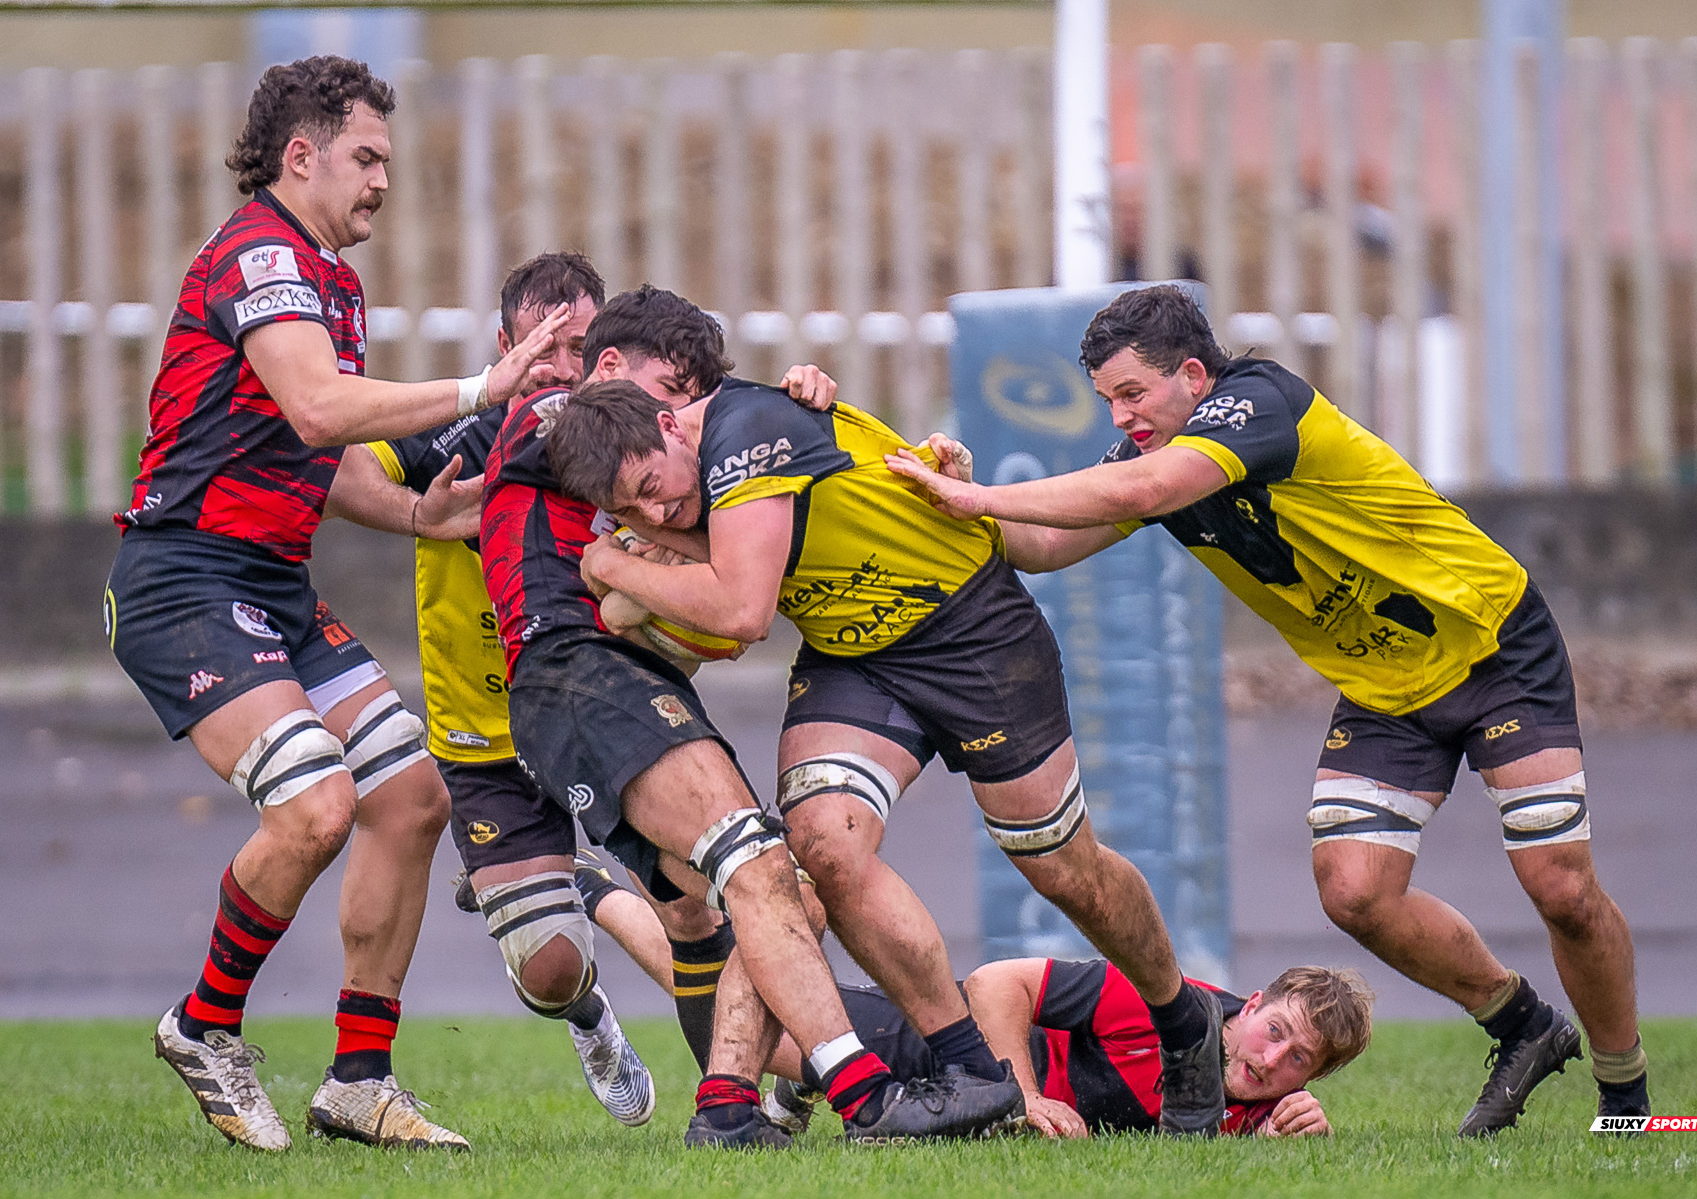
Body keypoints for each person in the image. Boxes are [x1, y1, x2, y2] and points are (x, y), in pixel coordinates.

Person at [882, 284, 1647, 1135]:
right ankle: (1524, 1025)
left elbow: (1142, 490)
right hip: (1385, 684)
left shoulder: (1258, 402)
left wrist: (984, 502)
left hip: (1491, 642)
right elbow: (1047, 545)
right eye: (1109, 401)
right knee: (1354, 892)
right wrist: (960, 494)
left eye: (1133, 394)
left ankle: (1625, 1098)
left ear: (1196, 375)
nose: (1123, 416)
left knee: (1561, 889)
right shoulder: (1154, 455)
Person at [545, 370, 1234, 1137]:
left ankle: (1182, 1017)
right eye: (626, 509)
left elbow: (740, 613)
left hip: (970, 628)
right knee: (820, 846)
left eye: (649, 485)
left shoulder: (749, 432)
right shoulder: (696, 455)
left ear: (672, 425)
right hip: (856, 656)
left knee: (1064, 869)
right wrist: (649, 567)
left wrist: (610, 564)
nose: (651, 508)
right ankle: (971, 1068)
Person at [107, 56, 569, 1153]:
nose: (380, 182)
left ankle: (358, 1076)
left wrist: (417, 516)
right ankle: (204, 1023)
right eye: (366, 157)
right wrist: (481, 389)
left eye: (388, 164)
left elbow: (319, 451)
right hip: (185, 578)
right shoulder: (263, 254)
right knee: (314, 805)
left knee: (407, 794)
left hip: (268, 583)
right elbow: (318, 408)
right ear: (299, 154)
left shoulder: (328, 278)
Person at [479, 287, 1026, 1147]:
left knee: (783, 899)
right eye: (678, 389)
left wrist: (794, 404)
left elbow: (725, 599)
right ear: (615, 374)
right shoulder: (566, 416)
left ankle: (727, 1106)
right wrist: (768, 410)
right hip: (577, 675)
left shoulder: (629, 458)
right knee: (759, 867)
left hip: (605, 684)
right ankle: (869, 1097)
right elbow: (737, 606)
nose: (691, 408)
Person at [328, 265, 848, 1114]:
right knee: (550, 970)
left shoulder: (644, 438)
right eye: (554, 347)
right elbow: (334, 467)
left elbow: (737, 461)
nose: (576, 364)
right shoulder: (471, 434)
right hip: (487, 734)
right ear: (508, 349)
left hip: (605, 699)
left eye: (587, 345)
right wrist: (425, 513)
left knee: (704, 904)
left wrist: (798, 392)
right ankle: (593, 991)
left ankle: (740, 1087)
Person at [574, 861, 1370, 1140]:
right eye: (1274, 1030)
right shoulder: (1167, 1002)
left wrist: (1295, 1137)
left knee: (728, 1008)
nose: (1270, 1058)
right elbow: (997, 984)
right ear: (1253, 1000)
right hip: (932, 1044)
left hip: (949, 1077)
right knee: (721, 1017)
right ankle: (590, 883)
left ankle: (795, 1087)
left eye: (1298, 1060)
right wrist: (1020, 1096)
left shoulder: (1267, 1107)